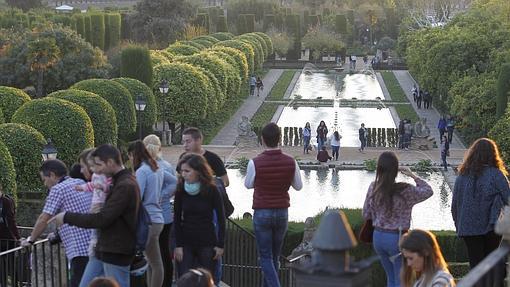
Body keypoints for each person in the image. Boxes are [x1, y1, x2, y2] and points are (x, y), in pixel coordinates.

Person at [51, 145, 140, 287]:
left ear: (110, 162)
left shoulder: (125, 185)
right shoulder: (119, 182)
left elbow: (102, 218)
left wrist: (67, 217)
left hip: (116, 248)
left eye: (99, 165)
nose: (96, 170)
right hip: (106, 247)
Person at [244, 122, 303, 287]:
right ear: (280, 138)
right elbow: (298, 186)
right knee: (275, 257)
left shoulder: (254, 162)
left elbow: (248, 185)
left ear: (262, 139)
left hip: (262, 212)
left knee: (265, 257)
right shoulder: (291, 162)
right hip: (282, 212)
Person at [362, 151, 433, 287]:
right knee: (402, 279)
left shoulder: (374, 187)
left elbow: (366, 214)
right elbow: (428, 191)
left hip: (378, 237)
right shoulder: (405, 190)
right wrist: (412, 175)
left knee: (391, 277)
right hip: (397, 238)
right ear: (396, 169)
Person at [21, 160, 92, 287]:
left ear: (52, 175)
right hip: (93, 244)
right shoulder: (80, 182)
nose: (45, 184)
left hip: (79, 249)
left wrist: (31, 240)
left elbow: (44, 218)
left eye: (44, 179)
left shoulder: (58, 189)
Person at [451, 138, 510, 270]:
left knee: (475, 266)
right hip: (490, 227)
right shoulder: (496, 175)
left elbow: (455, 205)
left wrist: (458, 225)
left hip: (468, 228)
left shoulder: (462, 176)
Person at [182, 127, 229, 285]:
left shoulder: (213, 158)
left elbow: (226, 181)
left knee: (212, 251)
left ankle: (213, 281)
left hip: (210, 211)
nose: (185, 145)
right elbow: (179, 181)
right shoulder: (184, 158)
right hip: (190, 213)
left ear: (198, 140)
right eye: (184, 141)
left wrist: (206, 184)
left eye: (188, 141)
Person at [174, 154, 226, 277]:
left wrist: (220, 245)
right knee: (184, 278)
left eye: (187, 171)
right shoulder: (181, 190)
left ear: (198, 171)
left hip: (207, 240)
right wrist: (178, 245)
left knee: (206, 279)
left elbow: (221, 217)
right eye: (182, 171)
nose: (183, 174)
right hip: (186, 240)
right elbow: (176, 217)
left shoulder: (211, 189)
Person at [128, 141, 165, 287]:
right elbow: (172, 182)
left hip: (148, 219)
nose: (129, 159)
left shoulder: (142, 171)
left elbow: (138, 195)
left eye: (130, 156)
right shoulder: (156, 168)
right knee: (152, 261)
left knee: (155, 263)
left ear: (134, 154)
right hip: (157, 217)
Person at [143, 134, 178, 287]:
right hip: (164, 215)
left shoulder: (148, 167)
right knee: (163, 254)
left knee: (154, 257)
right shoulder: (165, 165)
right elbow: (175, 184)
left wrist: (158, 196)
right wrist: (163, 196)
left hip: (153, 216)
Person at [74, 150, 112, 256]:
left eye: (83, 166)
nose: (81, 171)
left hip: (100, 205)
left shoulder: (104, 176)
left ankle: (94, 245)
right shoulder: (95, 177)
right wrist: (82, 188)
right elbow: (91, 186)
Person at [0, 183, 21, 287]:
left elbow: (11, 220)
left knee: (11, 264)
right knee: (4, 265)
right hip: (4, 237)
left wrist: (17, 237)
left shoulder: (6, 201)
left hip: (7, 237)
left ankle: (14, 284)